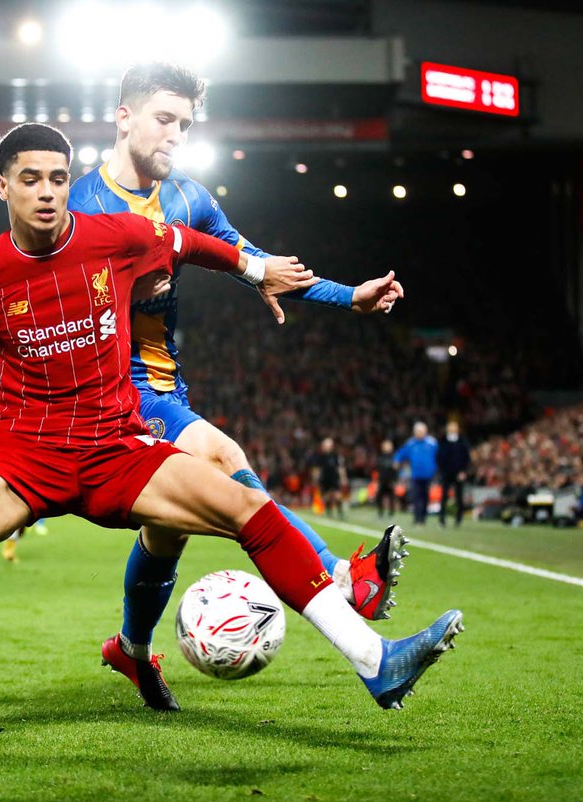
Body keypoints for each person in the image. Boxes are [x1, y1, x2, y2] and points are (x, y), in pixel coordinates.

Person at [0, 124, 462, 762]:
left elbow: (193, 242)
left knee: (248, 505)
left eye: (58, 178)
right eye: (31, 179)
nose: (47, 192)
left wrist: (259, 269)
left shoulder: (117, 236)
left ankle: (375, 661)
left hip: (118, 448)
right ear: (3, 187)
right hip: (24, 453)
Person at [68, 63, 410, 705]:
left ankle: (131, 651)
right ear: (123, 117)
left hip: (165, 388)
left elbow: (259, 266)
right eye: (164, 119)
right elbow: (43, 304)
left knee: (166, 532)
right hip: (109, 394)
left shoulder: (189, 200)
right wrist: (124, 291)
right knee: (225, 458)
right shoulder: (80, 205)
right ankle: (341, 576)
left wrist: (350, 296)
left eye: (185, 124)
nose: (176, 134)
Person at [395, 422, 438, 526]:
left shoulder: (432, 443)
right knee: (416, 497)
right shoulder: (411, 443)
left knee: (425, 497)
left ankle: (423, 518)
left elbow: (439, 456)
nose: (420, 433)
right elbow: (401, 453)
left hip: (428, 475)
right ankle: (417, 517)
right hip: (415, 475)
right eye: (418, 431)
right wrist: (396, 460)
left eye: (421, 431)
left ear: (425, 431)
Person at [436, 420, 471, 527]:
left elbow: (466, 457)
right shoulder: (443, 440)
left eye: (454, 427)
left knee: (459, 496)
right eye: (450, 427)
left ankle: (459, 519)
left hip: (459, 473)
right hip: (446, 473)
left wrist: (464, 471)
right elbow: (439, 457)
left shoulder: (462, 440)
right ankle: (442, 519)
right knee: (444, 496)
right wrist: (442, 471)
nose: (452, 429)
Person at [310, 437, 347, 518]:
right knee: (326, 497)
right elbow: (316, 469)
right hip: (324, 479)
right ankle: (329, 513)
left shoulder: (335, 456)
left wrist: (343, 478)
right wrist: (315, 479)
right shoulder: (320, 457)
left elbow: (340, 468)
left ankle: (340, 513)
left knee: (337, 496)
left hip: (334, 478)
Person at [374, 439, 399, 517]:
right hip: (382, 480)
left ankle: (391, 513)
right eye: (385, 446)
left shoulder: (394, 457)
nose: (387, 447)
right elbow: (378, 469)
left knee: (391, 497)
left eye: (388, 446)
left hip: (390, 480)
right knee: (379, 496)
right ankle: (380, 512)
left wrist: (395, 480)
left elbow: (395, 470)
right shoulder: (380, 457)